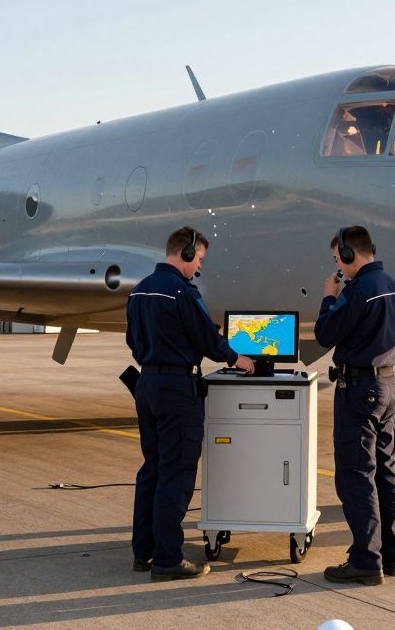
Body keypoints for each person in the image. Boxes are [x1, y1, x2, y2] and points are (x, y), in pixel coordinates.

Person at [126, 226, 256, 581]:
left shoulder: (139, 291)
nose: (198, 267)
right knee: (176, 473)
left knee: (151, 468)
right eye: (198, 259)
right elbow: (210, 343)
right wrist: (238, 359)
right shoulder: (183, 292)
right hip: (176, 390)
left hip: (148, 384)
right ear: (185, 253)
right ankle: (169, 559)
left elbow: (133, 342)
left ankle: (144, 552)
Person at [315, 225, 395, 586]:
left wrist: (328, 297)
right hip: (388, 384)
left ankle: (366, 560)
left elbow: (325, 334)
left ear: (350, 254)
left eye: (339, 259)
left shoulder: (357, 292)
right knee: (386, 472)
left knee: (356, 475)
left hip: (360, 390)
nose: (339, 266)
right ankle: (391, 555)